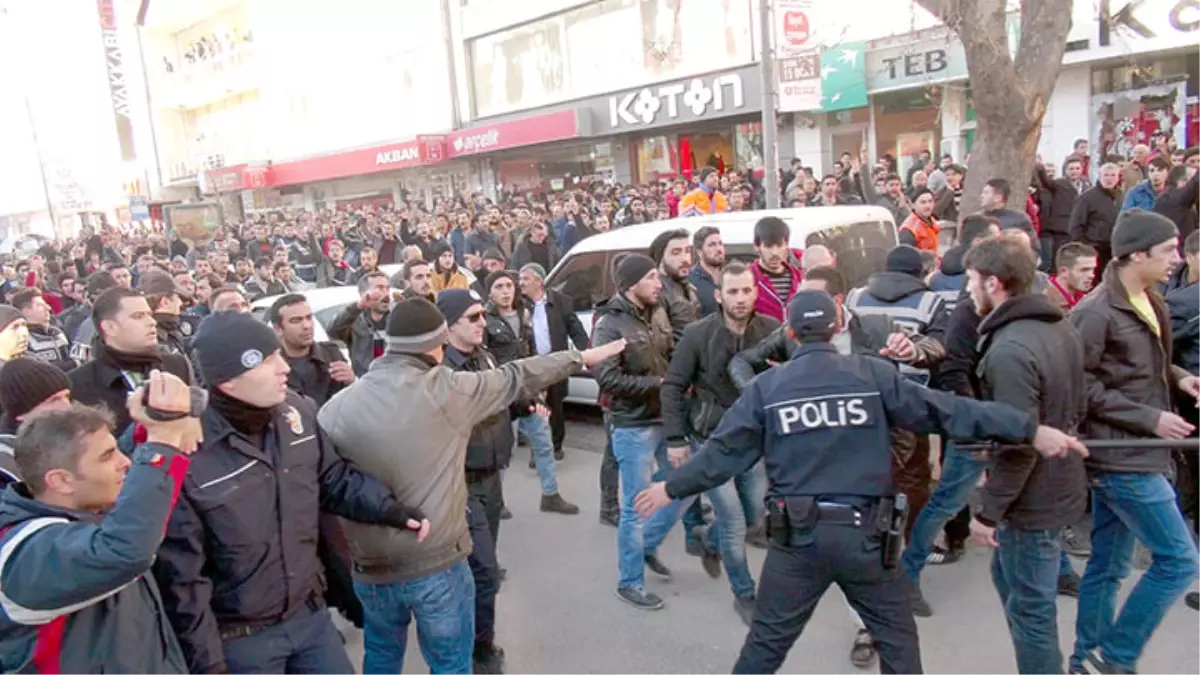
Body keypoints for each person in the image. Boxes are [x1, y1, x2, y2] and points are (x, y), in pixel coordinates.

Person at [634, 289, 1085, 675]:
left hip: (798, 543)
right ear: (836, 328)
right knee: (900, 648)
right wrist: (1029, 429)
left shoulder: (767, 389)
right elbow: (950, 412)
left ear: (790, 335)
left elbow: (721, 455)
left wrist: (669, 488)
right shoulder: (873, 375)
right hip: (868, 540)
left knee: (765, 647)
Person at [317, 297, 623, 674]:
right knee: (450, 663)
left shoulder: (334, 410)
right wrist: (582, 358)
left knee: (381, 657)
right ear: (435, 344)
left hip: (371, 569)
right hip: (437, 562)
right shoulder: (448, 390)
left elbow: (329, 485)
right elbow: (520, 375)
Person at [152, 311, 429, 675]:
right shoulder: (188, 450)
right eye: (268, 361)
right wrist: (207, 663)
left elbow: (334, 479)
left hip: (309, 619)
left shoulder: (295, 414)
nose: (284, 368)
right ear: (228, 381)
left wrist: (390, 509)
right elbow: (183, 579)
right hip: (239, 641)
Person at [1067, 209, 1200, 674]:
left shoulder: (1152, 299)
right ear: (1137, 254)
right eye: (1168, 251)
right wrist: (1150, 418)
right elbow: (1079, 388)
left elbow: (1149, 367)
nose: (1177, 259)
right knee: (1180, 561)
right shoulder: (1094, 312)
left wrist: (1182, 379)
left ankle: (1086, 660)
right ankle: (1115, 656)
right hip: (1121, 457)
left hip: (1138, 450)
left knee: (1107, 566)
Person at [0, 371, 199, 674]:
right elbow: (124, 550)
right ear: (61, 481)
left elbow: (125, 484)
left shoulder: (83, 503)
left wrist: (148, 425)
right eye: (108, 456)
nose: (126, 462)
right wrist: (163, 442)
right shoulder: (23, 554)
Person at [957, 235, 1089, 674]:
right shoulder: (1058, 325)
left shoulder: (1011, 350)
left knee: (1031, 612)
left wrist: (987, 514)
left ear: (994, 283)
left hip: (1031, 501)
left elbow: (1019, 445)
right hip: (1054, 488)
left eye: (972, 280)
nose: (967, 289)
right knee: (1011, 584)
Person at [661, 261, 776, 625]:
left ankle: (705, 539)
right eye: (732, 291)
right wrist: (676, 440)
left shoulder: (771, 331)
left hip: (754, 444)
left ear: (755, 292)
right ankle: (744, 593)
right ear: (719, 295)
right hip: (709, 440)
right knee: (735, 521)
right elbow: (674, 386)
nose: (740, 298)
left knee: (754, 514)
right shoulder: (698, 334)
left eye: (746, 290)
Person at [592, 253, 687, 610]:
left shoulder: (659, 311)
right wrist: (659, 384)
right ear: (632, 284)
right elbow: (606, 378)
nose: (659, 283)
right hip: (633, 425)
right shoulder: (609, 324)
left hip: (668, 419)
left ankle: (647, 545)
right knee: (636, 506)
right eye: (651, 277)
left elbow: (673, 351)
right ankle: (629, 582)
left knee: (684, 482)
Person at [483, 270, 577, 512]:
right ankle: (497, 502)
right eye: (499, 287)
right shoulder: (485, 320)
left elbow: (532, 351)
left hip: (529, 391)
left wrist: (540, 385)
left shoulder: (526, 313)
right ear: (490, 293)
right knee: (505, 450)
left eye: (508, 286)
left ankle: (550, 495)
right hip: (502, 394)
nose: (505, 291)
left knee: (544, 443)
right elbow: (483, 358)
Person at [68, 287, 192, 437]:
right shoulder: (78, 384)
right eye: (138, 316)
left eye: (150, 315)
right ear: (110, 327)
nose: (152, 322)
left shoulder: (176, 364)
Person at [518, 262, 590, 459]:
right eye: (520, 279)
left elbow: (576, 329)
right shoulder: (520, 305)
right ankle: (539, 450)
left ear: (539, 282)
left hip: (556, 363)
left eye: (526, 279)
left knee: (555, 406)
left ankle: (556, 446)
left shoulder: (561, 302)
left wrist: (589, 354)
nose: (521, 283)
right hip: (532, 365)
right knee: (536, 407)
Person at [269, 294, 355, 406]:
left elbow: (349, 403)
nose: (306, 326)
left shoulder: (331, 355)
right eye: (296, 320)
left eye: (309, 318)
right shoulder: (269, 365)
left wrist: (352, 381)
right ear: (278, 329)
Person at [0, 358, 72, 487]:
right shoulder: (5, 462)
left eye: (66, 396)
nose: (66, 406)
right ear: (23, 413)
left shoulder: (65, 440)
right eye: (53, 400)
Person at [928, 215, 1002, 312]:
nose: (999, 245)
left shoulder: (934, 279)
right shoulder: (983, 282)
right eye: (994, 240)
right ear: (978, 242)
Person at [329, 271, 390, 377]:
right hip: (365, 383)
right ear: (363, 294)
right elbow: (333, 331)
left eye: (387, 288)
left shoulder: (397, 318)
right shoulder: (355, 322)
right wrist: (358, 306)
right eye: (380, 288)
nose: (386, 293)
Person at [1069, 163, 1123, 274]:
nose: (1109, 179)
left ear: (1118, 177)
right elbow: (1076, 226)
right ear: (1099, 176)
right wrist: (1085, 248)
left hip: (1114, 250)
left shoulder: (1121, 196)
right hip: (1094, 249)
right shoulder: (1087, 198)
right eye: (1106, 175)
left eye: (1113, 175)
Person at [750, 216, 803, 323]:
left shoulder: (800, 279)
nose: (774, 252)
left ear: (787, 245)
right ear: (757, 246)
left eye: (779, 245)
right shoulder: (748, 279)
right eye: (768, 246)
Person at [139, 268, 198, 357]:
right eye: (177, 298)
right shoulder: (157, 338)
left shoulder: (169, 331)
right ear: (165, 301)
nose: (180, 303)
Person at [10, 287, 71, 370]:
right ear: (26, 311)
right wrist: (72, 364)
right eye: (40, 305)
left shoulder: (58, 332)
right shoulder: (23, 340)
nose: (48, 308)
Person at [1046, 242, 1099, 311]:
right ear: (1063, 271)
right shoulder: (1045, 301)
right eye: (1084, 270)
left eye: (1093, 269)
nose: (1092, 275)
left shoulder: (1087, 301)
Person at [689, 226, 725, 317]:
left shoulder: (729, 276)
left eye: (720, 243)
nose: (719, 249)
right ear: (699, 252)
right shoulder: (691, 281)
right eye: (712, 245)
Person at [897, 189, 940, 253]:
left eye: (930, 201)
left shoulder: (931, 220)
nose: (928, 206)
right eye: (923, 202)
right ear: (913, 205)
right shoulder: (909, 230)